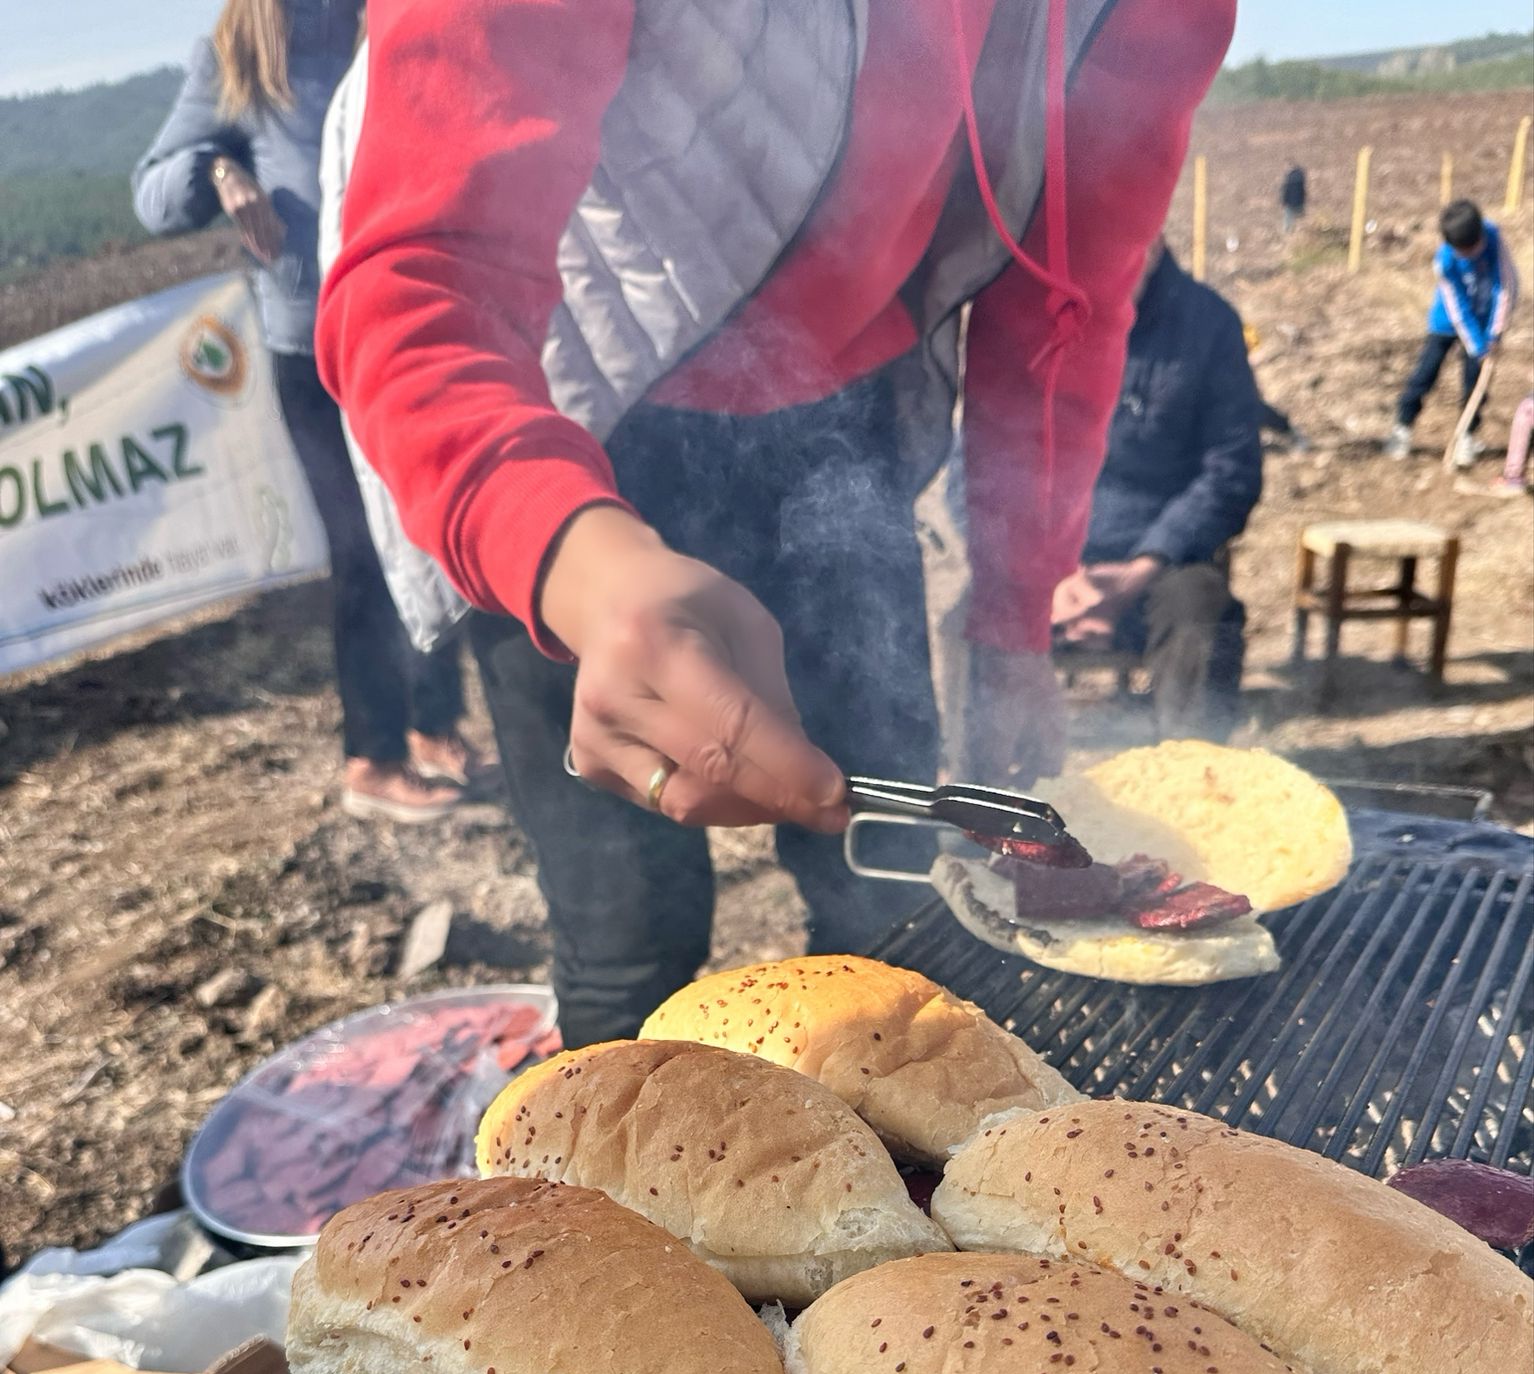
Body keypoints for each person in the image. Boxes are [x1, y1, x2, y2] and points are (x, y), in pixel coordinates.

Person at [317, 0, 1234, 1044]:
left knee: (886, 902)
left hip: (841, 420)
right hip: (562, 408)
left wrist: (1016, 619)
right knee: (632, 932)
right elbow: (422, 279)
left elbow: (1063, 300)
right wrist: (575, 561)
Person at [133, 0, 486, 823]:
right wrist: (216, 171)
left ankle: (437, 724)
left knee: (431, 530)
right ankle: (374, 757)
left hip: (416, 328)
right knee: (362, 551)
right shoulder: (240, 54)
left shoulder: (392, 19)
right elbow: (153, 195)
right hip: (317, 352)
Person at [1050, 236, 1261, 741]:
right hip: (1050, 564)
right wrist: (1048, 574)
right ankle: (984, 795)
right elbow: (982, 462)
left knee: (1201, 615)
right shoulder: (1038, 313)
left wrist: (1142, 567)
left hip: (1164, 562)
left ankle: (1193, 786)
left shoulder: (1208, 325)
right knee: (972, 614)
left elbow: (1232, 470)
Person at [1386, 199, 1519, 468]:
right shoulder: (1444, 261)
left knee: (1476, 381)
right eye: (1462, 251)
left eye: (1472, 249)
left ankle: (1467, 436)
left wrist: (1494, 334)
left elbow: (1506, 284)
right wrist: (1478, 346)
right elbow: (1457, 309)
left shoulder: (1493, 237)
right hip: (1446, 323)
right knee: (1425, 373)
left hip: (1486, 322)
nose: (1468, 255)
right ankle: (1403, 427)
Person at [1280, 164, 1306, 236]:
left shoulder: (1289, 178)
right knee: (1299, 218)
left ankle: (1288, 234)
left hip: (1289, 202)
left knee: (1288, 220)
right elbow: (1303, 191)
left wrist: (1283, 202)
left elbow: (1285, 191)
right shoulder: (1301, 177)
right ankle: (1301, 234)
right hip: (1299, 202)